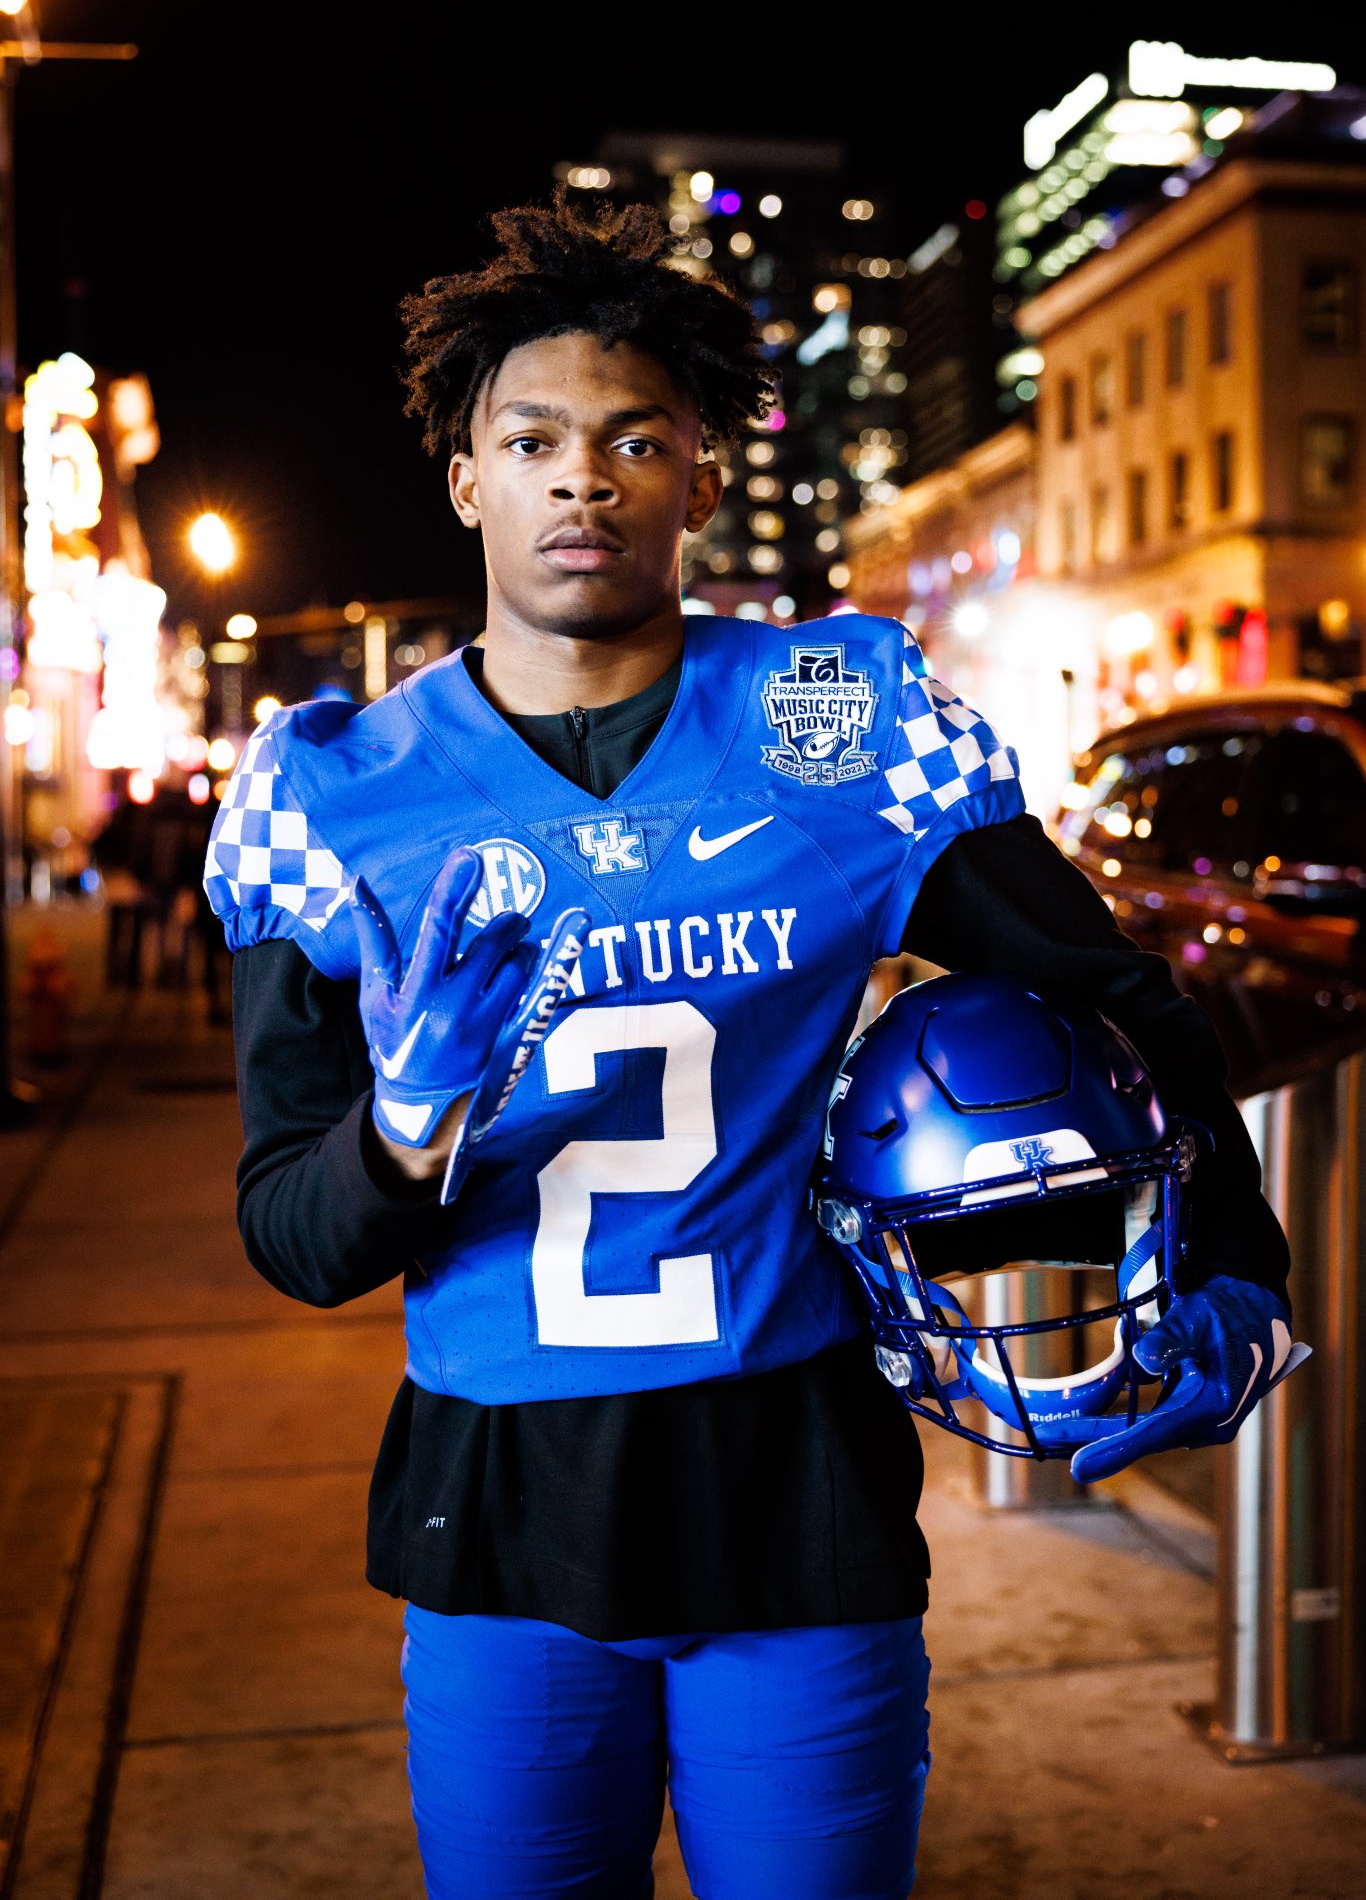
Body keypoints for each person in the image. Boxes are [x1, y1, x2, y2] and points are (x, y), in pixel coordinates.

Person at [205, 196, 1293, 1899]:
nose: (585, 478)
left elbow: (1114, 998)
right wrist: (404, 1126)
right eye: (535, 439)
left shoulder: (827, 716)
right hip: (500, 1502)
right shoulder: (336, 788)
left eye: (638, 439)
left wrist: (1237, 1256)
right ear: (463, 477)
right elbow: (295, 1238)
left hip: (793, 1484)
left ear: (702, 480)